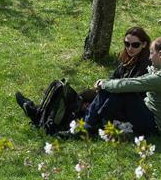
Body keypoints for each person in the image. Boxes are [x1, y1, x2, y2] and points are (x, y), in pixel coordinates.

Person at [15, 26, 152, 124]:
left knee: (80, 101)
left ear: (144, 44)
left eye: (135, 45)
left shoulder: (145, 66)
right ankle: (40, 111)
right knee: (80, 95)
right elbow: (113, 78)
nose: (130, 48)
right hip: (112, 95)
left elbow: (133, 90)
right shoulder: (127, 60)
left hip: (123, 105)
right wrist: (102, 83)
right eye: (127, 44)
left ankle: (40, 113)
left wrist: (105, 88)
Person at [80, 36, 161, 138]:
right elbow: (137, 80)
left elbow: (135, 83)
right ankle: (92, 122)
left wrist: (104, 84)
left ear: (160, 54)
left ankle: (88, 126)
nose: (149, 57)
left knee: (121, 91)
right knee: (114, 90)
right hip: (149, 114)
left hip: (155, 125)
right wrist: (108, 85)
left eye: (152, 53)